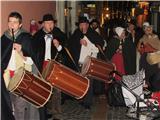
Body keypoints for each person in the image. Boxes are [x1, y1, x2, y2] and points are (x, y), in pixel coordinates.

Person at [1, 11, 39, 120]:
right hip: (8, 77)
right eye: (10, 22)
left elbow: (33, 61)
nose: (12, 24)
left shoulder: (26, 37)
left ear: (20, 24)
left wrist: (22, 51)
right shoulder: (4, 37)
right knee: (11, 104)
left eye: (15, 22)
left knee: (19, 106)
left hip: (22, 77)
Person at [33, 13, 67, 120]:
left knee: (56, 89)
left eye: (51, 23)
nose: (49, 25)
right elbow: (33, 51)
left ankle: (56, 112)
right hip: (42, 65)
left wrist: (59, 46)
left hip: (54, 64)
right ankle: (45, 111)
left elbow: (65, 50)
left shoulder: (58, 33)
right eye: (47, 23)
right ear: (43, 24)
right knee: (44, 88)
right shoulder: (38, 36)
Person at [68, 16, 104, 109]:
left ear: (88, 25)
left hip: (89, 63)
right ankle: (81, 98)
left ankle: (88, 102)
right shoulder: (76, 34)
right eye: (81, 25)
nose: (83, 26)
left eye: (85, 24)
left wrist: (90, 44)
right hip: (79, 62)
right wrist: (78, 41)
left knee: (89, 82)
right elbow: (70, 44)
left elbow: (100, 43)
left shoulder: (93, 33)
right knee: (80, 82)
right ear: (79, 26)